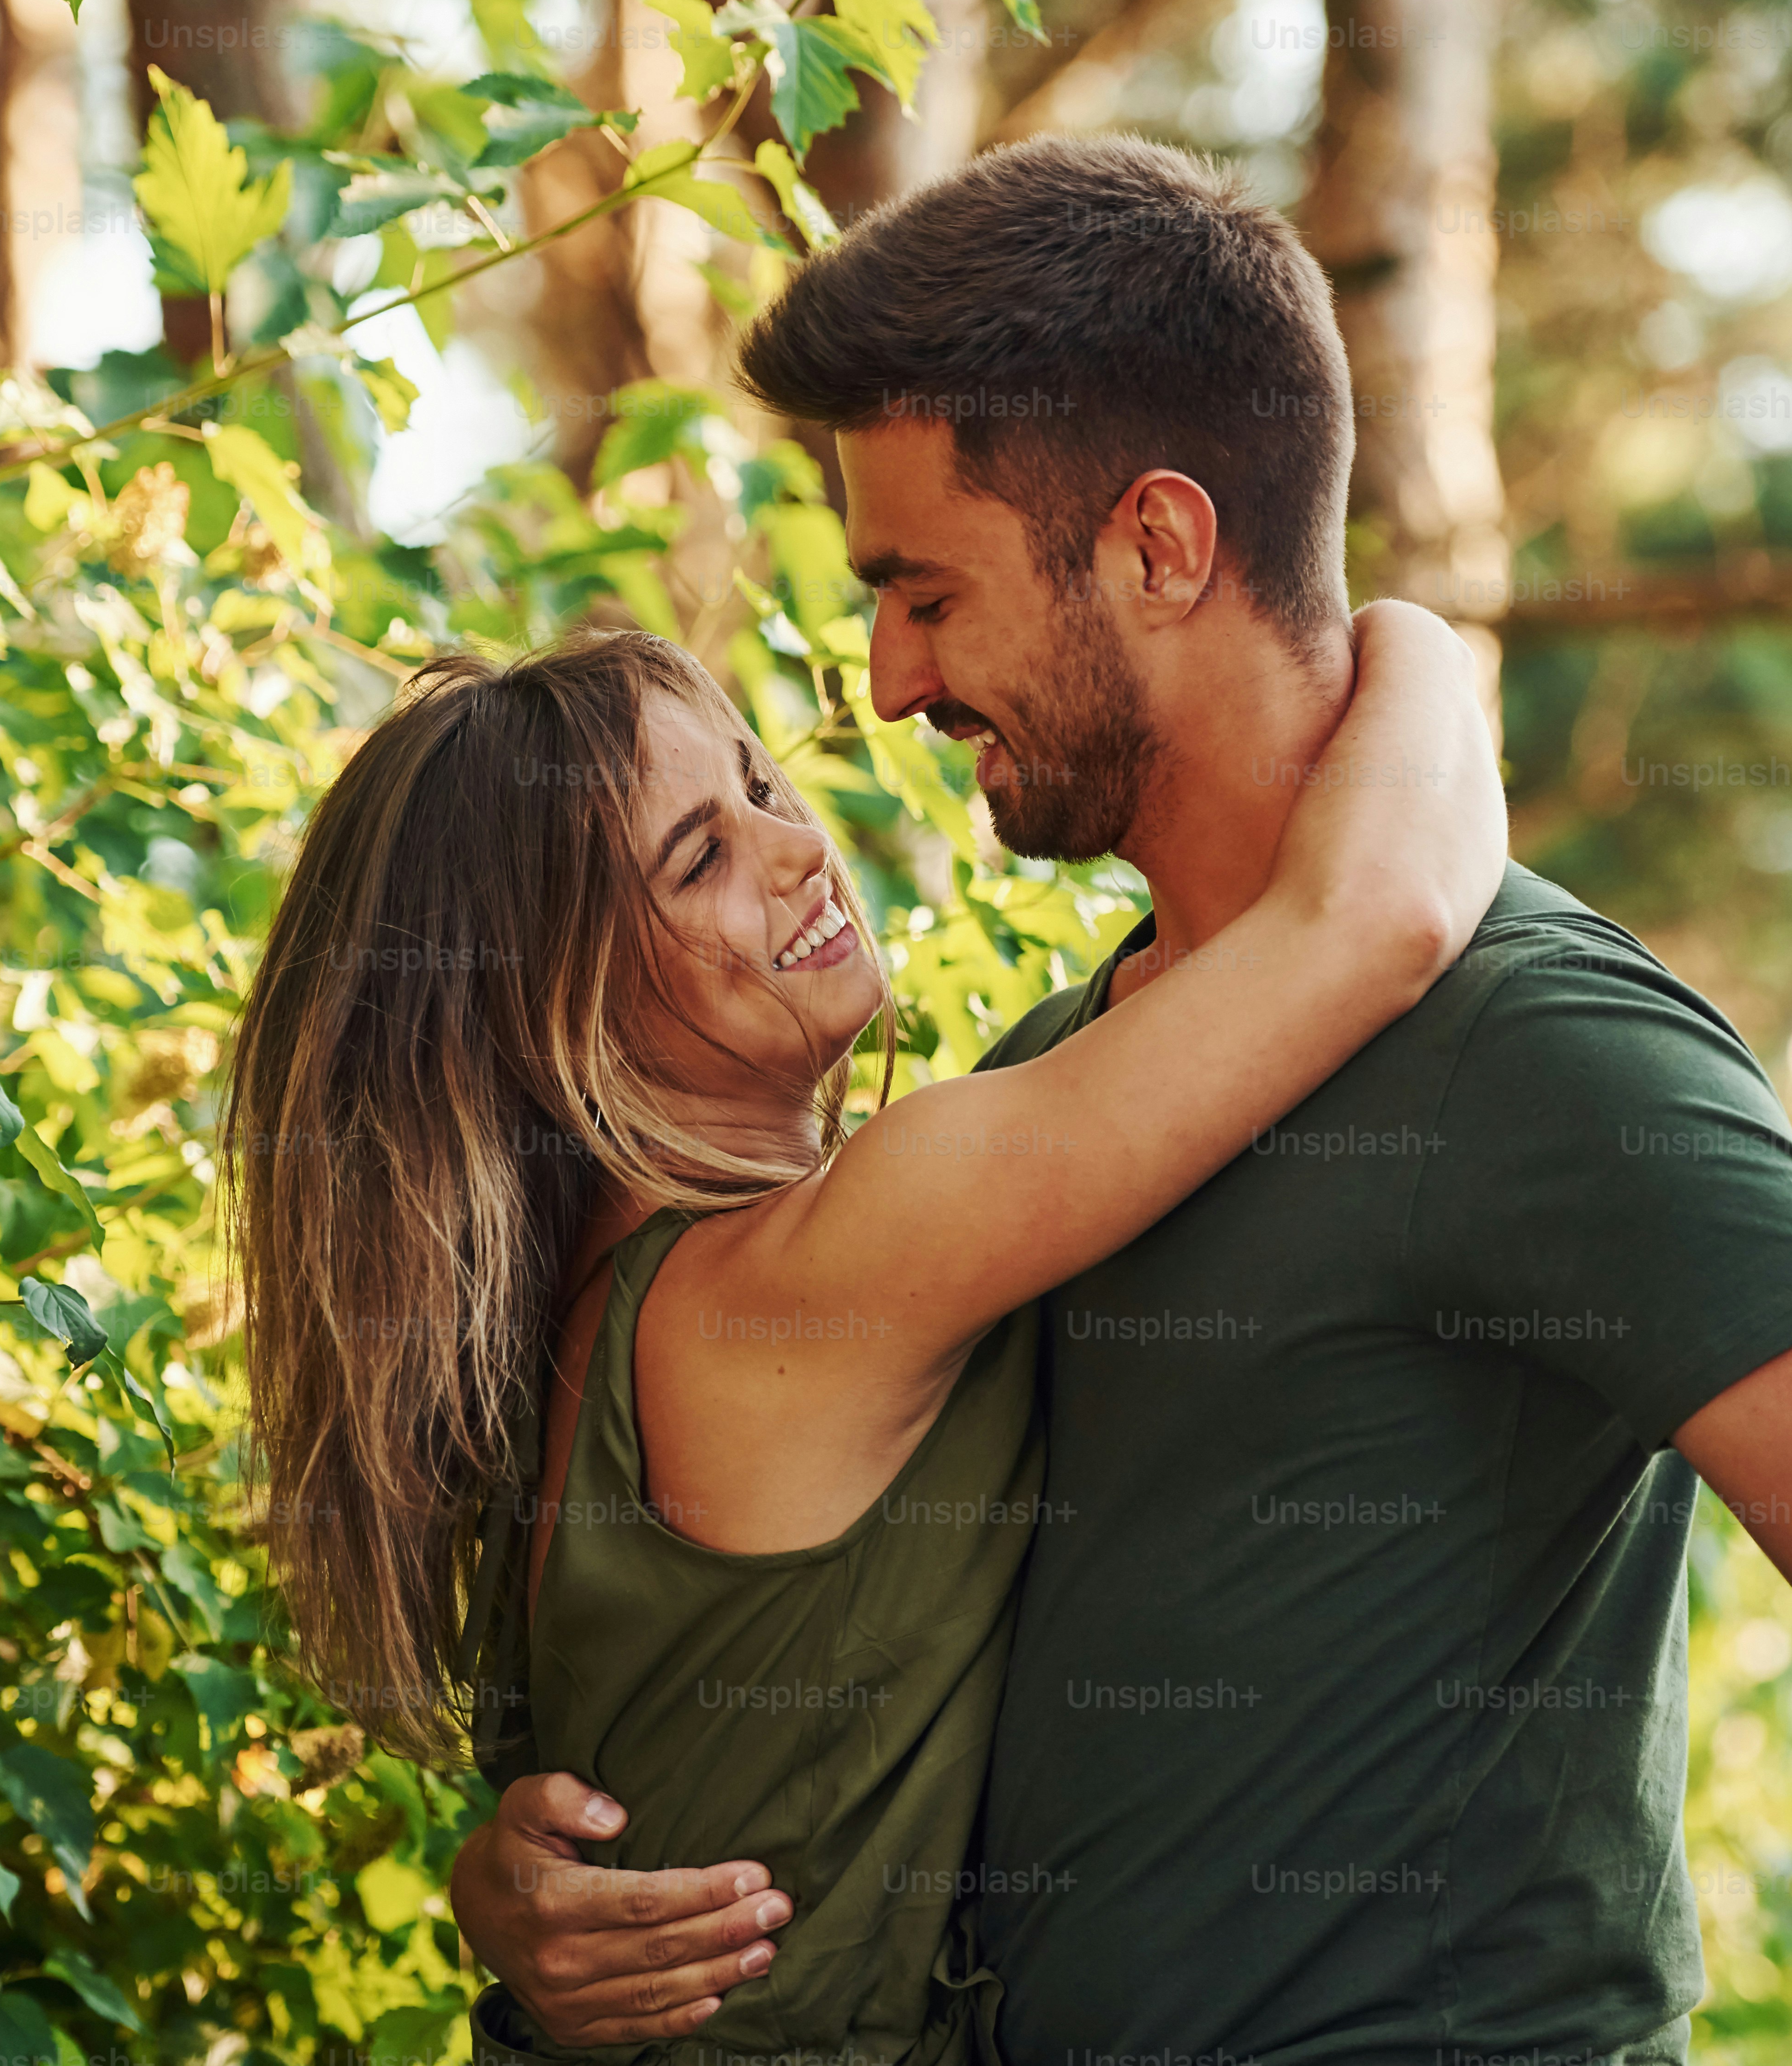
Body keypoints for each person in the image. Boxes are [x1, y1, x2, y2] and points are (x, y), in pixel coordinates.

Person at [450, 136, 1792, 2065]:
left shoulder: (1536, 1048)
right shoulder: (1059, 1091)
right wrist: (535, 1882)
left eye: (925, 593)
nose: (886, 678)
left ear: (1162, 546)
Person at [227, 595, 1510, 2065]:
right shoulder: (801, 1274)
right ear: (552, 1010)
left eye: (759, 786)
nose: (795, 851)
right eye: (699, 857)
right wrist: (1409, 631)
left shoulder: (565, 1337)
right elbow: (1380, 918)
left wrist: (492, 1885)